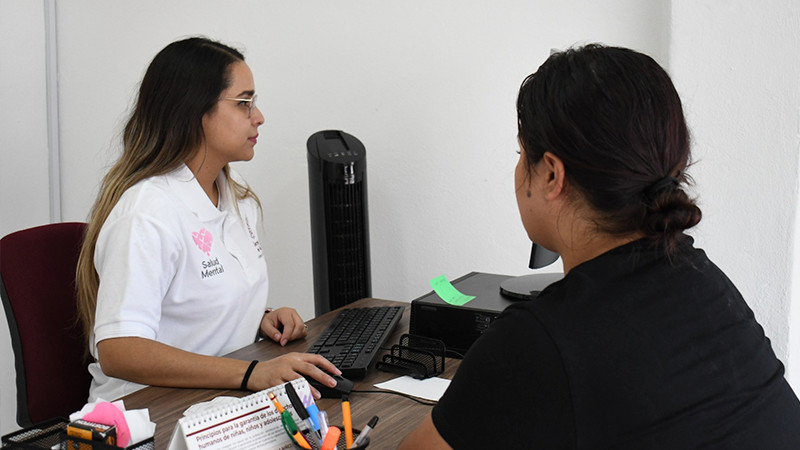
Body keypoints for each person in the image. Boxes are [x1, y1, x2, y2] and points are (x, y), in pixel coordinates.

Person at [400, 44, 800, 448]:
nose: (518, 170)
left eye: (522, 155)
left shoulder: (537, 343)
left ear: (552, 174)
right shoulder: (707, 284)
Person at [76, 37, 340, 402]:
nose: (258, 117)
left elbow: (194, 299)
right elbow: (119, 350)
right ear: (193, 111)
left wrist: (257, 316)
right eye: (244, 103)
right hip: (144, 412)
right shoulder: (147, 212)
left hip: (214, 398)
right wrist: (253, 373)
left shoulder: (234, 193)